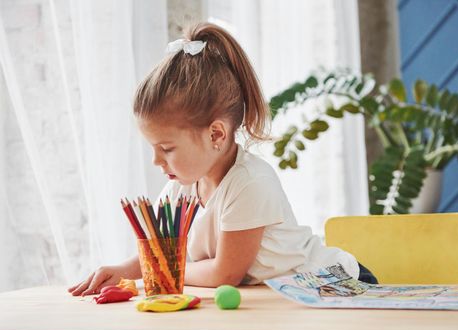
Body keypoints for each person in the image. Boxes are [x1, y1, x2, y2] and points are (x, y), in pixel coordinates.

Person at [68, 22, 376, 297]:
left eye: (167, 148)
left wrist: (159, 273)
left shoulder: (249, 183)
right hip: (281, 297)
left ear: (216, 135)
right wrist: (124, 270)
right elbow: (161, 254)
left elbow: (225, 274)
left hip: (335, 282)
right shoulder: (181, 189)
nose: (156, 162)